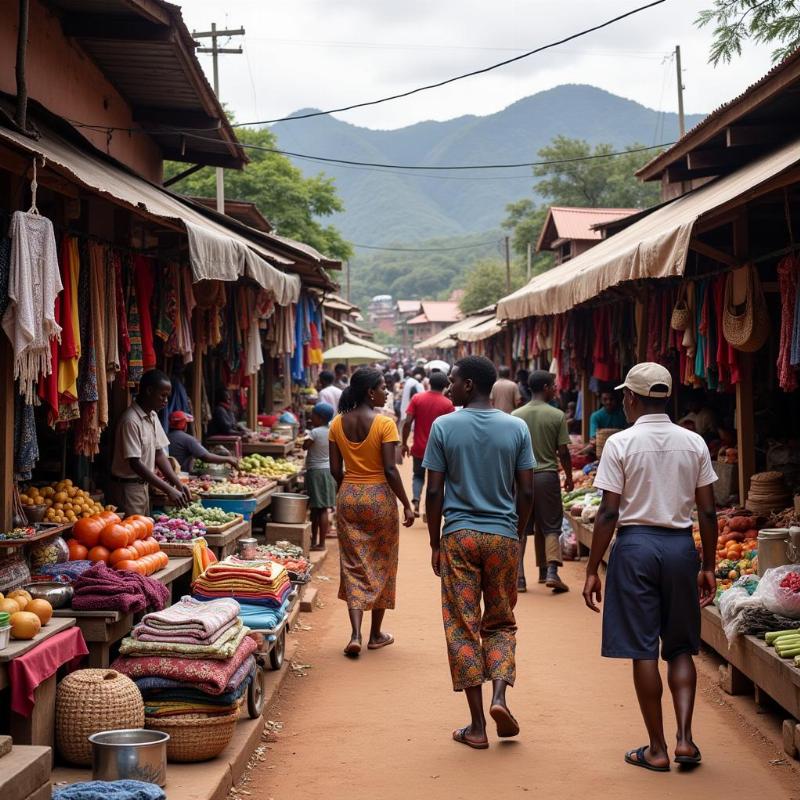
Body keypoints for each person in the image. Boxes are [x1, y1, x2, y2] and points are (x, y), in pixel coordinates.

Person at [582, 362, 718, 772]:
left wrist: (592, 569)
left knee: (643, 648)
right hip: (680, 548)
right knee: (680, 647)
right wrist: (708, 564)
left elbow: (607, 514)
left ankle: (656, 748)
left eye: (625, 395)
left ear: (632, 398)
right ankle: (685, 740)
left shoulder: (620, 444)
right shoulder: (694, 442)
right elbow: (708, 513)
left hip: (636, 548)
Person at [424, 356, 535, 750]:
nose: (449, 386)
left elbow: (434, 491)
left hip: (460, 537)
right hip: (503, 536)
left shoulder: (444, 426)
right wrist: (517, 535)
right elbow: (526, 491)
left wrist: (435, 541)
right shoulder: (517, 427)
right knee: (501, 621)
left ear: (469, 384)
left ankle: (476, 727)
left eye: (453, 381)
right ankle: (500, 698)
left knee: (463, 625)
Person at [329, 368, 415, 657]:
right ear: (370, 392)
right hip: (379, 497)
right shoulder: (385, 424)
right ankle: (375, 634)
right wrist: (406, 502)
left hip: (348, 496)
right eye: (383, 387)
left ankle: (355, 634)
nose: (387, 391)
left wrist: (349, 490)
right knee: (382, 563)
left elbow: (334, 470)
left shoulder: (336, 424)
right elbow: (390, 469)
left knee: (353, 564)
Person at [513, 370, 573, 593]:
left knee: (520, 528)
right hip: (547, 476)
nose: (556, 388)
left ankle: (519, 577)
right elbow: (564, 452)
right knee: (551, 525)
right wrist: (568, 476)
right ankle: (551, 572)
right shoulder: (556, 415)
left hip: (522, 477)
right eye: (554, 385)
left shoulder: (516, 415)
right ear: (546, 387)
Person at [111, 370, 191, 514]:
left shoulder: (153, 416)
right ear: (149, 391)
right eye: (163, 395)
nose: (166, 401)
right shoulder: (130, 420)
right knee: (133, 531)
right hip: (129, 489)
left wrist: (178, 483)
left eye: (167, 396)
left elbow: (159, 453)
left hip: (144, 487)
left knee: (144, 531)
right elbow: (135, 463)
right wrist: (168, 489)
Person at [401, 371, 455, 517]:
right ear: (445, 386)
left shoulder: (417, 398)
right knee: (435, 482)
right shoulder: (448, 404)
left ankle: (416, 500)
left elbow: (407, 423)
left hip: (418, 447)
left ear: (429, 383)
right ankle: (428, 510)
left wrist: (404, 443)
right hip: (438, 450)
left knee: (418, 476)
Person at [303, 402, 338, 551]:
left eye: (314, 416)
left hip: (315, 472)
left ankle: (319, 543)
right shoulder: (333, 431)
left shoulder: (314, 432)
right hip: (329, 472)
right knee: (321, 508)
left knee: (319, 509)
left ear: (320, 417)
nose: (311, 418)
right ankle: (317, 542)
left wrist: (305, 439)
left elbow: (305, 446)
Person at [167, 411, 239, 473]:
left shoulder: (165, 436)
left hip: (167, 475)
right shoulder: (187, 439)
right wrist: (228, 459)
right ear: (184, 425)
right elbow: (206, 457)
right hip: (182, 476)